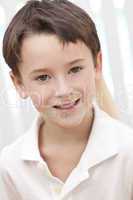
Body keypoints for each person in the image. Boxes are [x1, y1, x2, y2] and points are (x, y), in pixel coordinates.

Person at [0, 0, 132, 199]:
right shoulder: (9, 168)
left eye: (75, 69)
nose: (63, 90)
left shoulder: (127, 153)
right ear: (18, 83)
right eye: (43, 77)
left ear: (97, 64)